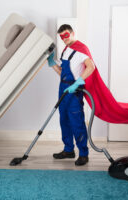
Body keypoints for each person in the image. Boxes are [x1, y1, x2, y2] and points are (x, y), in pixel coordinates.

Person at [47, 24, 95, 166]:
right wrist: (51, 63)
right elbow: (62, 73)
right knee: (64, 120)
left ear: (73, 33)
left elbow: (91, 66)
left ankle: (83, 154)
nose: (64, 38)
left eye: (66, 35)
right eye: (61, 37)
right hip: (63, 88)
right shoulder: (66, 50)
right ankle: (68, 150)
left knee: (76, 121)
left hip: (74, 90)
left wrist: (78, 82)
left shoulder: (81, 49)